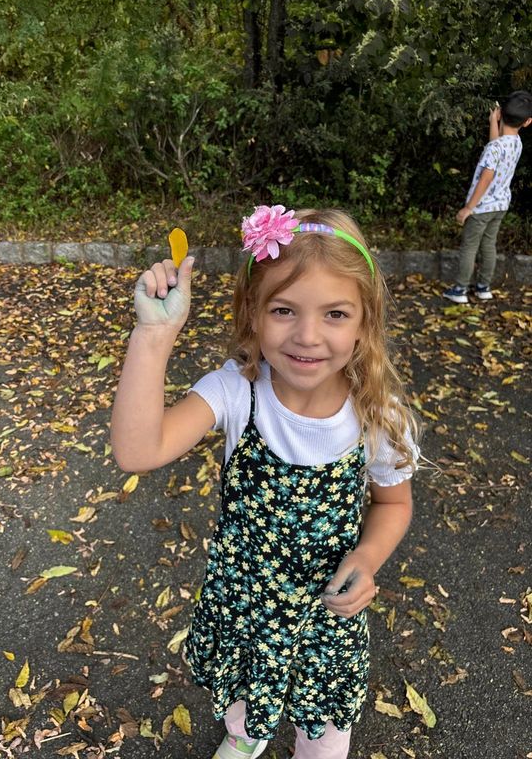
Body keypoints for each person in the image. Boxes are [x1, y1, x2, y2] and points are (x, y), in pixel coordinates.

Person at [111, 206, 419, 759]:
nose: (307, 335)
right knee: (243, 697)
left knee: (323, 732)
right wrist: (154, 335)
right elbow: (137, 451)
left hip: (327, 614)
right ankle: (244, 735)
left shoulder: (377, 415)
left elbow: (393, 504)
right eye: (283, 310)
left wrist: (368, 558)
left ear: (365, 322)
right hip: (244, 606)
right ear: (252, 312)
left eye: (335, 314)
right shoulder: (237, 391)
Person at [443, 89, 532, 303]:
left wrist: (468, 208)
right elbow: (496, 145)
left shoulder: (495, 148)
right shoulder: (516, 143)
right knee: (489, 244)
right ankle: (483, 287)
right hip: (500, 205)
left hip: (481, 207)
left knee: (470, 247)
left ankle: (460, 290)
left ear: (501, 113)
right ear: (527, 122)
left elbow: (485, 178)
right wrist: (494, 122)